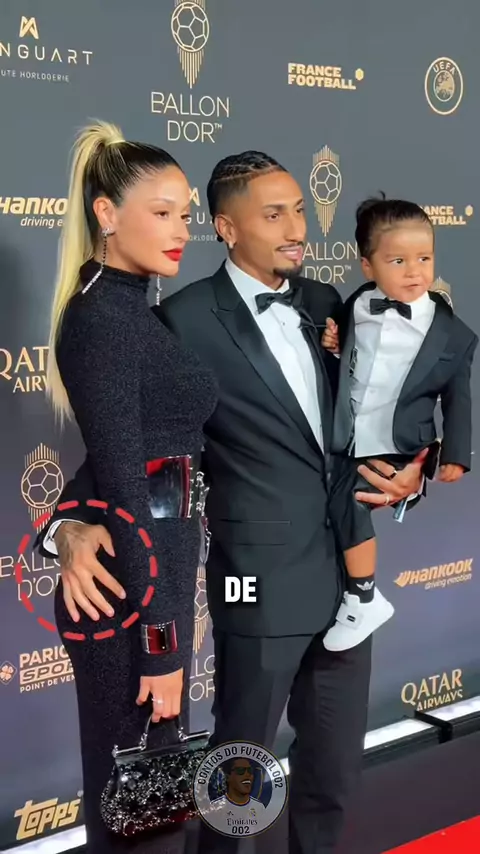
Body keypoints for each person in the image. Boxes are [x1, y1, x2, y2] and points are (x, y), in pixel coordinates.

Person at [37, 153, 425, 854]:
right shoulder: (179, 319)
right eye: (274, 214)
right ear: (228, 227)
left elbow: (365, 424)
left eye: (300, 210)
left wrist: (407, 475)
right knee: (227, 791)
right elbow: (129, 458)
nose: (297, 229)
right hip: (253, 585)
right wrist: (65, 524)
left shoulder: (328, 306)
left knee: (333, 776)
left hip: (346, 583)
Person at [44, 119, 218, 853]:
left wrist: (62, 525)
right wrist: (162, 646)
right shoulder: (104, 320)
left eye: (186, 214)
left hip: (144, 587)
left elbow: (125, 466)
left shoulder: (125, 305)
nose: (181, 230)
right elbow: (124, 485)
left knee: (151, 813)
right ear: (106, 214)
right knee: (138, 816)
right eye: (162, 212)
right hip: (130, 603)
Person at [321, 196, 478, 653]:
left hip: (399, 442)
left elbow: (459, 399)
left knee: (350, 501)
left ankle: (363, 596)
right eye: (398, 261)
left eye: (424, 259)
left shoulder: (454, 335)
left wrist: (454, 457)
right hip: (348, 434)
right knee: (331, 502)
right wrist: (335, 344)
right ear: (367, 266)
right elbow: (350, 352)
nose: (414, 272)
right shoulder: (358, 303)